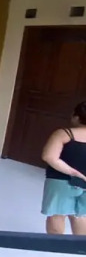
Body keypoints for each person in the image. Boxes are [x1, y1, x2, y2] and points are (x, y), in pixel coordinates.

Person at [40, 101, 86, 235]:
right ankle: (80, 245)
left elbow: (49, 156)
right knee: (81, 215)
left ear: (76, 117)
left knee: (56, 214)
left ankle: (57, 245)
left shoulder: (64, 134)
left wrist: (74, 172)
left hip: (60, 181)